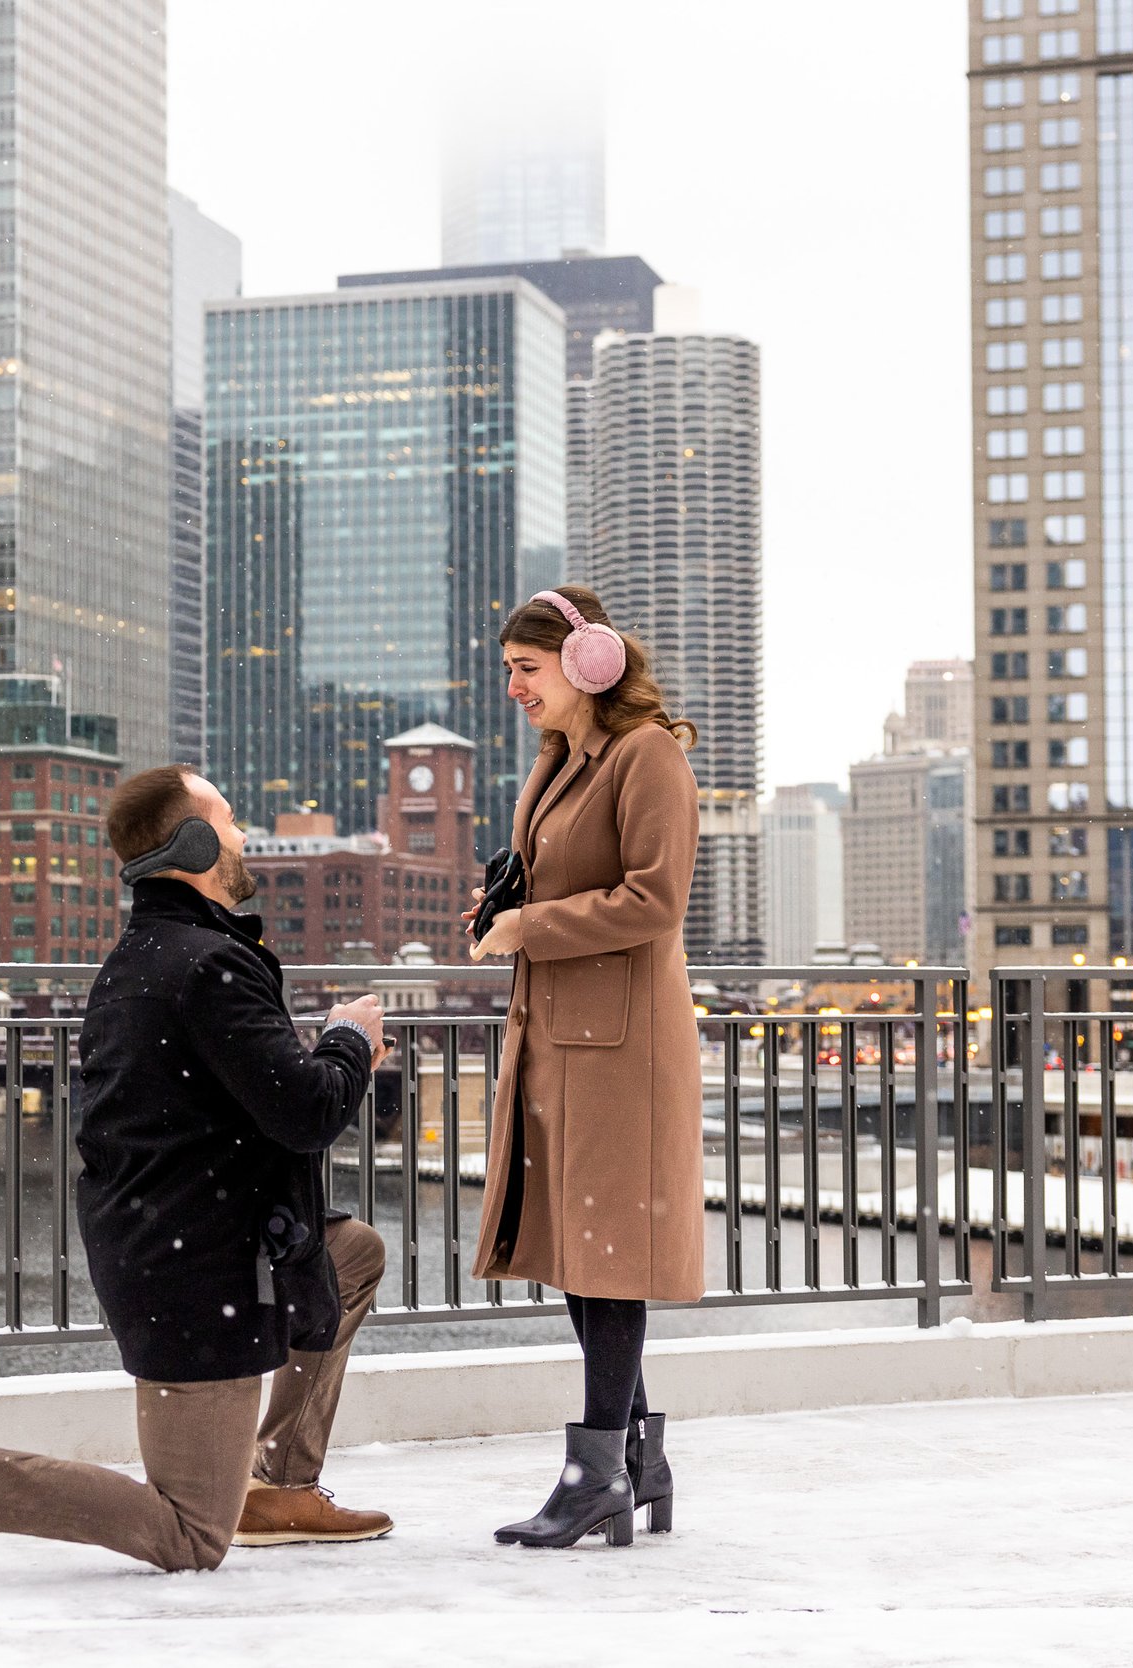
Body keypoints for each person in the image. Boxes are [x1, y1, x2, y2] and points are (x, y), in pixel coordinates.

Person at [0, 765, 399, 1583]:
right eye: (226, 819)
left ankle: (278, 1479)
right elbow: (304, 1113)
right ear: (191, 844)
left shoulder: (150, 954)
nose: (241, 833)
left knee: (353, 1252)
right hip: (201, 1273)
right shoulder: (208, 967)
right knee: (191, 1534)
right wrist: (349, 1042)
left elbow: (244, 1101)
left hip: (185, 1243)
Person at [465, 585, 702, 1550]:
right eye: (512, 672)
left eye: (526, 668)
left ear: (586, 663)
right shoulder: (561, 761)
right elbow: (570, 876)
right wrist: (507, 901)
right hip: (564, 1038)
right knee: (583, 1254)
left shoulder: (648, 755)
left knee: (608, 1260)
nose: (515, 687)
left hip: (621, 1048)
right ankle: (636, 1464)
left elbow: (655, 899)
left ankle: (597, 1472)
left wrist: (532, 925)